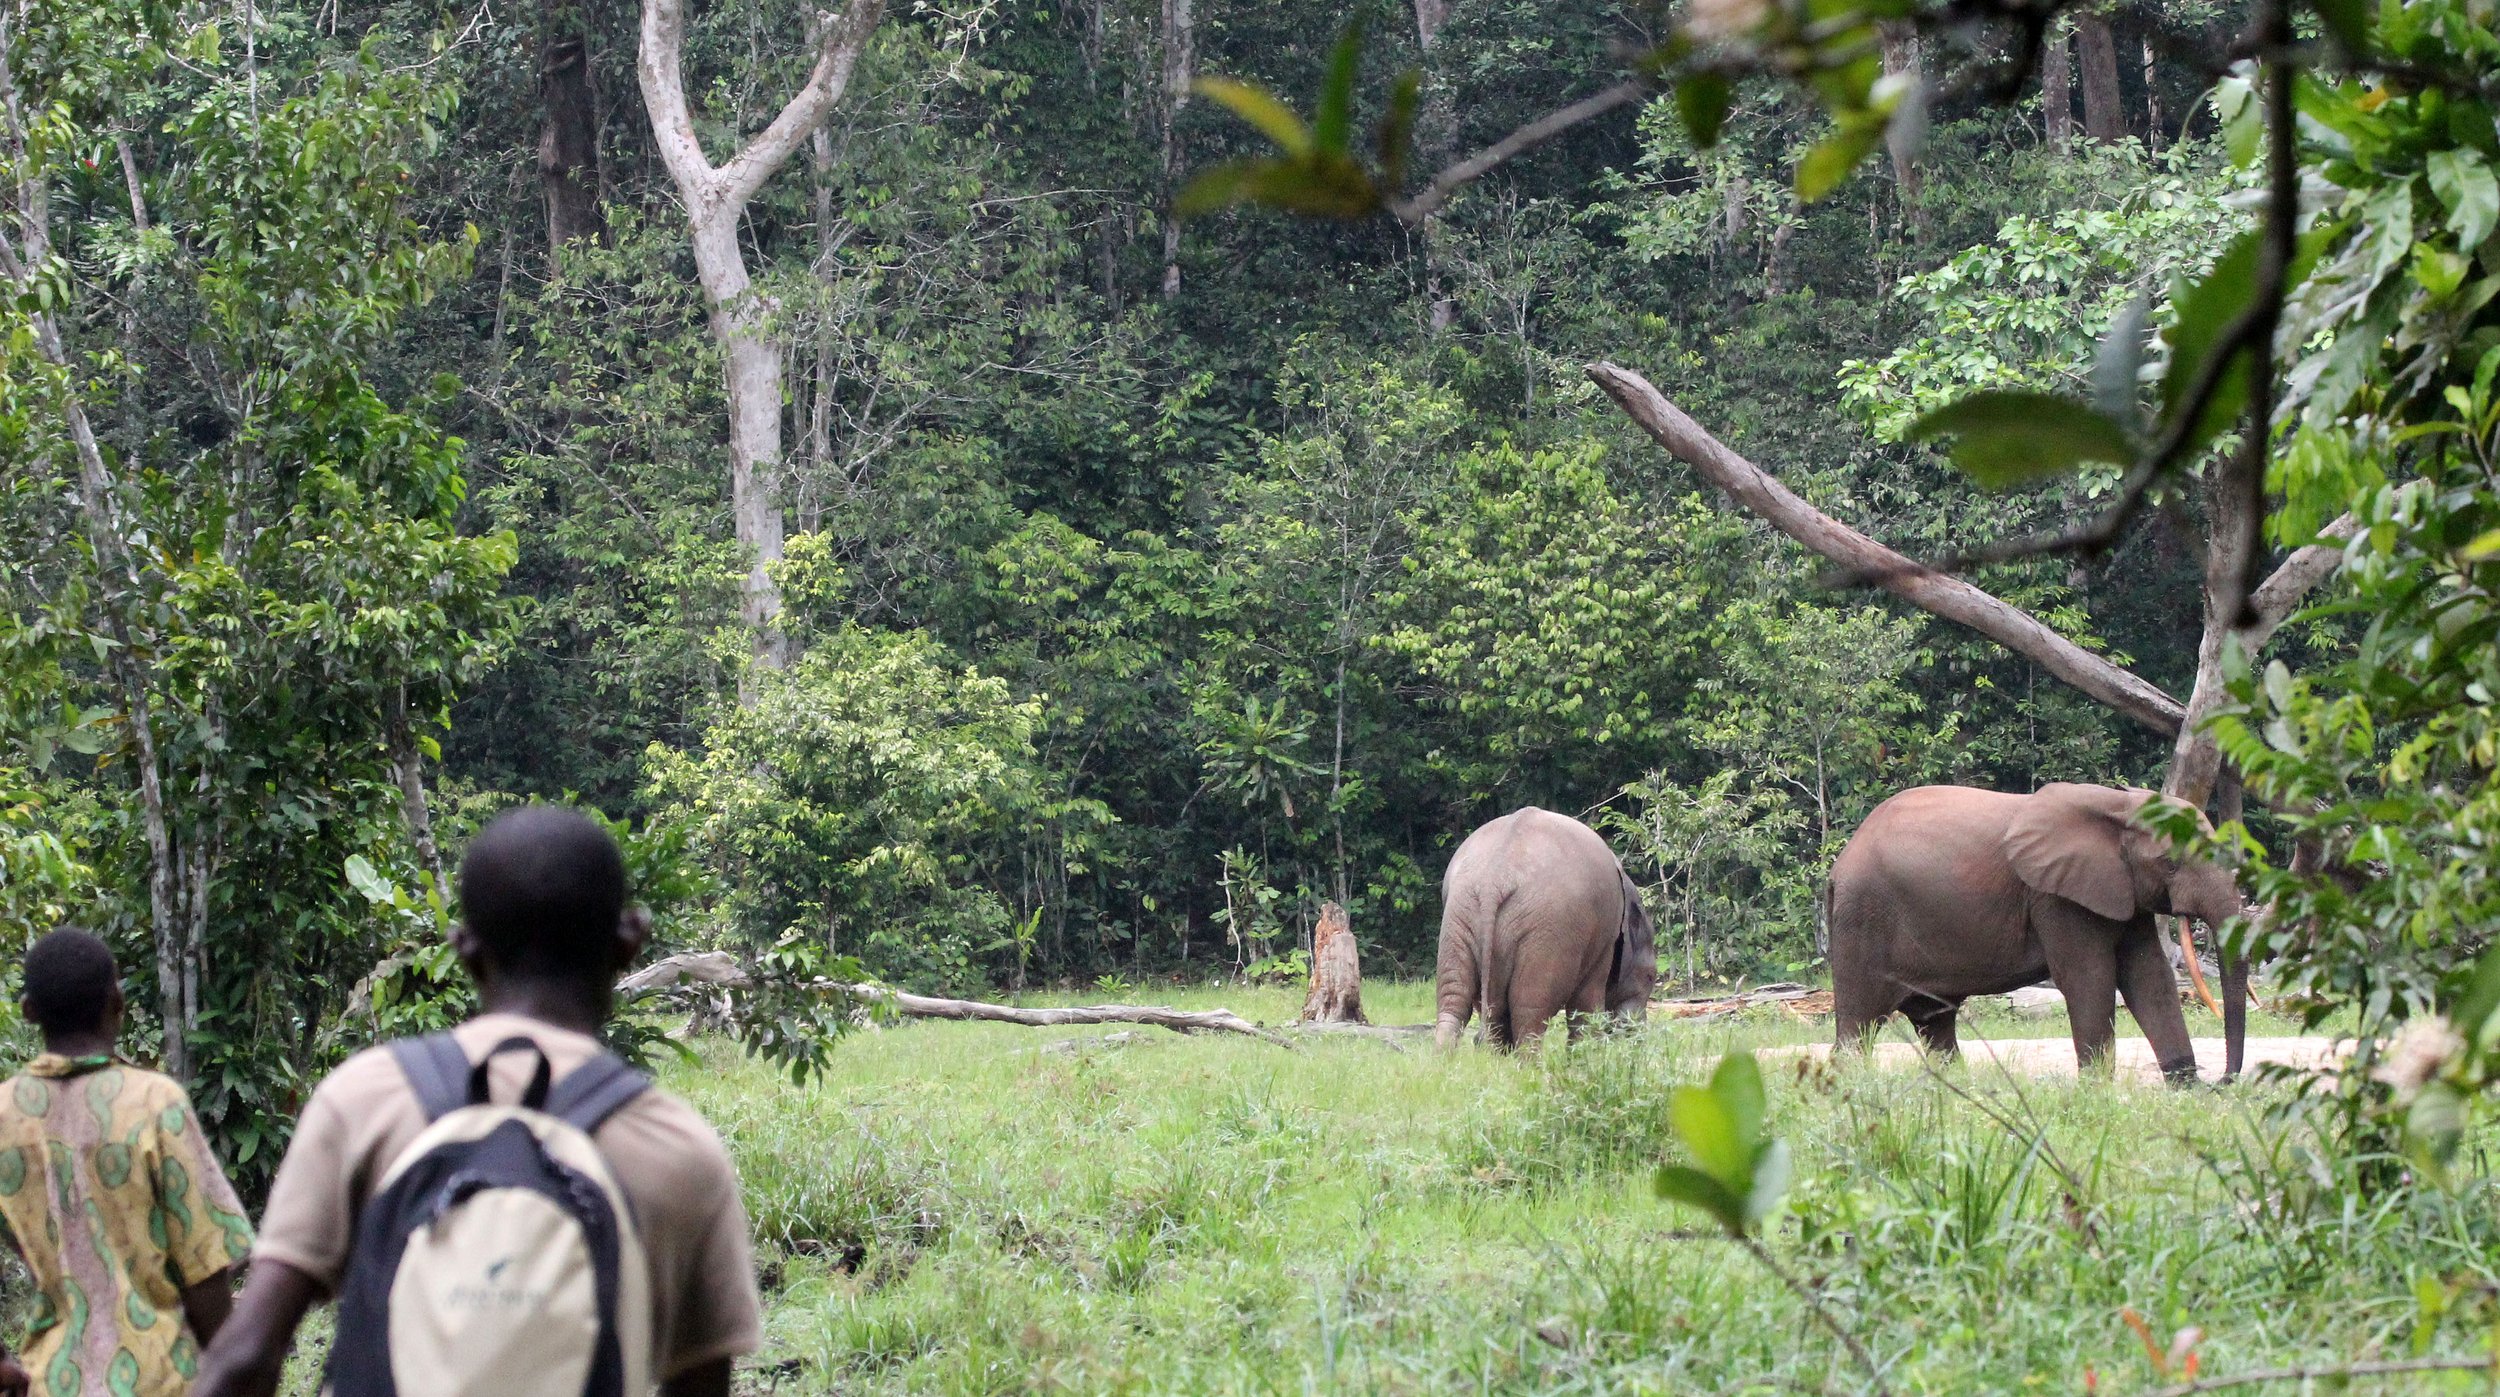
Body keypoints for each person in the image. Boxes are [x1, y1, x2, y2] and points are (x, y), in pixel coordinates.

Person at [191, 806, 762, 1397]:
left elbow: (246, 1355)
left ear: (463, 950)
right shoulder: (676, 1148)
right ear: (630, 942)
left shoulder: (364, 1101)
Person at [0, 927, 253, 1397]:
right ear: (115, 1002)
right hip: (164, 1380)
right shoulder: (154, 1103)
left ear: (29, 1011)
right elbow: (204, 1270)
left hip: (53, 1382)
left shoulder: (4, 1115)